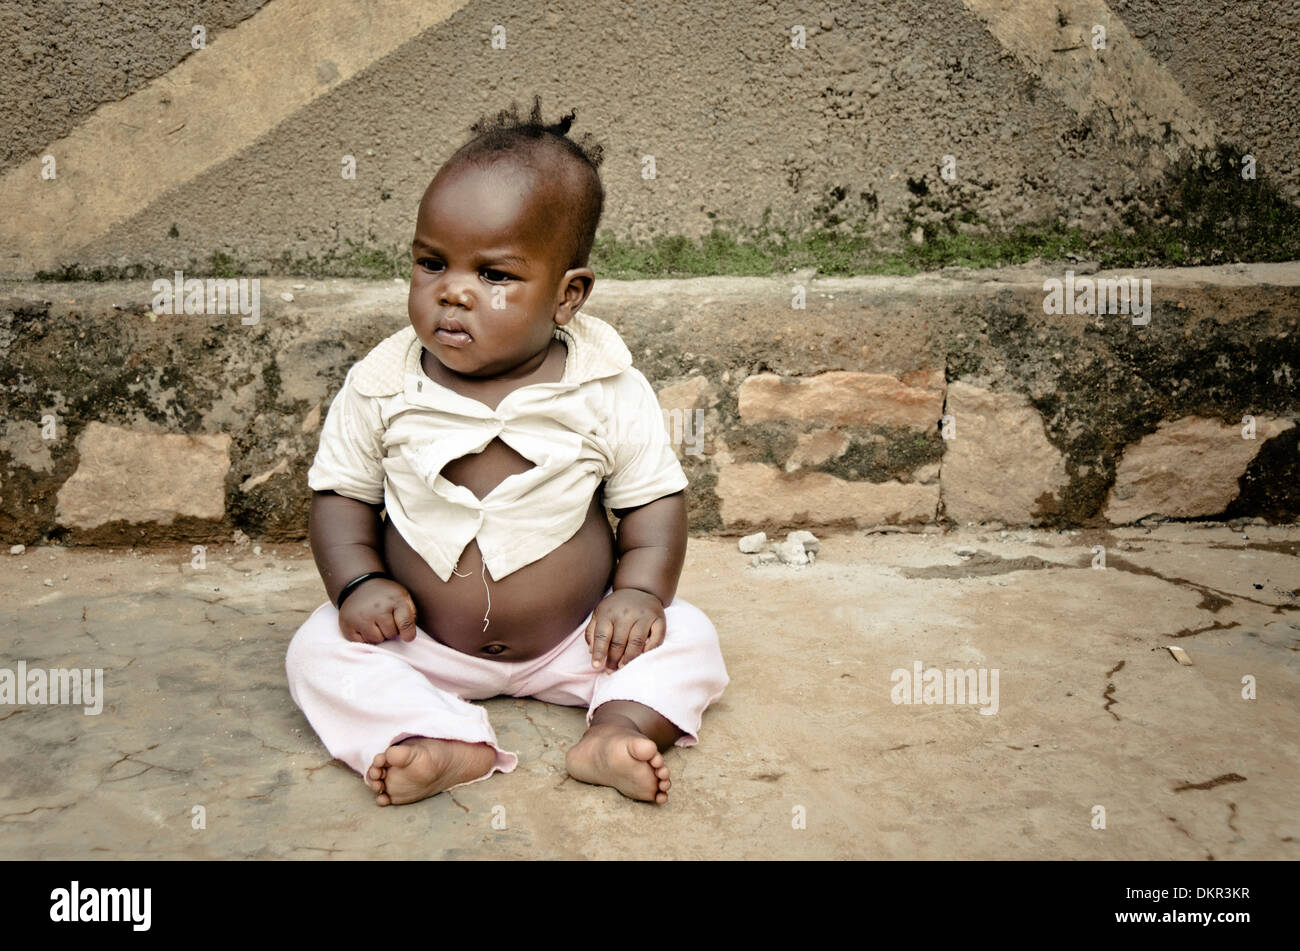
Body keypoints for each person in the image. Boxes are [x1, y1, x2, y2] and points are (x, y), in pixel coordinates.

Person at [285, 98, 728, 806]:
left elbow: (652, 503)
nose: (454, 291)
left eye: (494, 275)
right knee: (316, 650)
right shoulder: (380, 385)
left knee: (690, 636)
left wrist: (639, 595)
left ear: (567, 295)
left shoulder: (606, 385)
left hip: (580, 641)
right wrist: (358, 584)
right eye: (432, 263)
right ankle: (437, 737)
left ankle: (613, 730)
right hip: (423, 644)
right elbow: (341, 497)